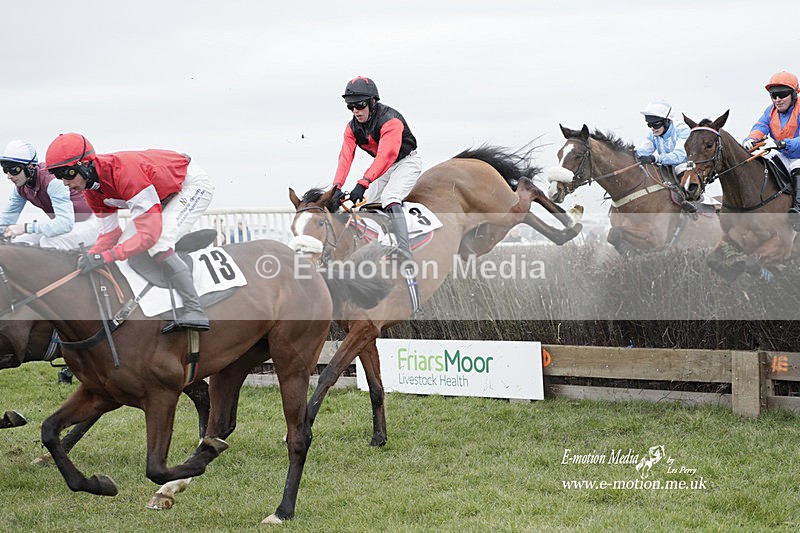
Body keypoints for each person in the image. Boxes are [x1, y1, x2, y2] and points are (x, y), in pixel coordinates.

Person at [45, 133, 215, 333]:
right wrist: (91, 257)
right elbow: (110, 234)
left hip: (189, 185)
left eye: (68, 173)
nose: (64, 182)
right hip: (161, 194)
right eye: (59, 176)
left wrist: (106, 256)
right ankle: (171, 259)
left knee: (159, 242)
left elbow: (149, 236)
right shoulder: (91, 190)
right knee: (128, 253)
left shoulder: (124, 173)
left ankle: (195, 309)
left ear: (85, 165)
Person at [330, 76, 423, 263]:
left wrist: (363, 183)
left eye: (360, 105)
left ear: (373, 102)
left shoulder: (390, 121)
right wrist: (336, 187)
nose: (355, 111)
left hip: (406, 162)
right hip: (384, 168)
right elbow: (345, 157)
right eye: (350, 106)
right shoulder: (351, 128)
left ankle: (405, 250)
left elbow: (386, 156)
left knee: (390, 197)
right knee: (365, 205)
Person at [0, 140, 98, 250]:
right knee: (17, 242)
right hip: (66, 226)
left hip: (90, 223)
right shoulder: (20, 187)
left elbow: (65, 223)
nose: (9, 176)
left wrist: (26, 227)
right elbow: (6, 220)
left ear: (30, 166)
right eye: (6, 170)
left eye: (14, 170)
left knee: (48, 243)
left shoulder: (53, 182)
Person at [741, 71, 800, 226]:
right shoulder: (770, 111)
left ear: (794, 94)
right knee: (763, 161)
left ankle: (798, 211)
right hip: (783, 153)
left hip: (798, 157)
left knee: (797, 166)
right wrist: (750, 139)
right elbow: (760, 126)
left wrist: (787, 143)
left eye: (782, 94)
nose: (778, 100)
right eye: (774, 96)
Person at [635, 100, 691, 179]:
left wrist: (655, 158)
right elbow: (644, 151)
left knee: (680, 169)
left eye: (655, 124)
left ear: (666, 121)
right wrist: (631, 154)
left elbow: (679, 156)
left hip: (685, 166)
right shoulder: (653, 133)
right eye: (649, 125)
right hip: (666, 166)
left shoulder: (682, 129)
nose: (652, 128)